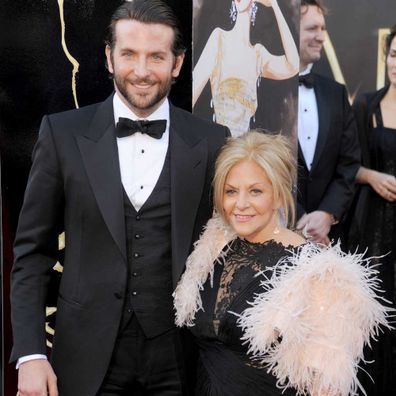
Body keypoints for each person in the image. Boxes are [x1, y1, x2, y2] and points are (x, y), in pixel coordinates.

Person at [10, 1, 229, 395]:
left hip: (181, 359)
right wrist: (29, 353)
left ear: (177, 64)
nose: (142, 71)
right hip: (82, 358)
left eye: (156, 57)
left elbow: (235, 242)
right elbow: (32, 254)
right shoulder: (62, 135)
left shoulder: (213, 141)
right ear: (109, 58)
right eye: (129, 54)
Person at [174, 131, 390, 396]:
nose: (240, 204)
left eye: (255, 191)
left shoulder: (317, 274)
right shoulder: (212, 246)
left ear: (278, 195)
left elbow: (326, 387)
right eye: (231, 191)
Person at [349, 25, 396, 396]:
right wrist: (372, 176)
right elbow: (347, 164)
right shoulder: (366, 104)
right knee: (373, 314)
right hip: (374, 228)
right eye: (394, 55)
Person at [295, 0, 360, 245]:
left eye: (323, 29)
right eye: (313, 28)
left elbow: (349, 162)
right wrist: (298, 215)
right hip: (274, 233)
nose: (321, 37)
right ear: (291, 28)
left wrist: (326, 214)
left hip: (329, 238)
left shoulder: (336, 93)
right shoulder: (264, 91)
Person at [193, 0, 299, 136]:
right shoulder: (219, 39)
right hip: (220, 145)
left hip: (245, 148)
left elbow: (293, 65)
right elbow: (194, 88)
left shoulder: (258, 55)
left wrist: (274, 5)